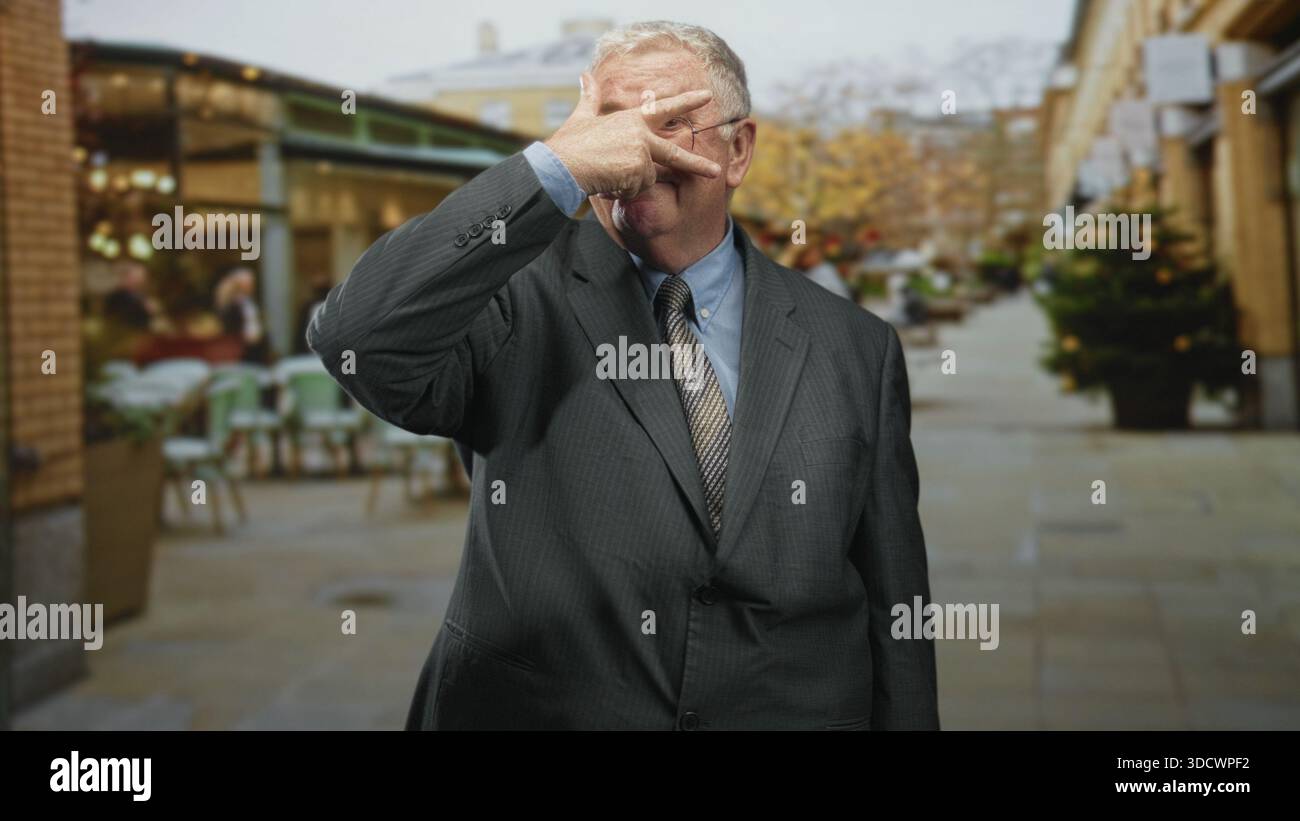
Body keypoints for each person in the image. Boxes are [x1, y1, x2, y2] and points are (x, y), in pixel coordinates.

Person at [308, 20, 937, 731]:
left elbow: (896, 603)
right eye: (614, 122)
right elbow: (356, 337)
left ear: (739, 150)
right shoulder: (512, 300)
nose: (639, 147)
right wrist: (554, 167)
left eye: (673, 121)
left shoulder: (854, 345)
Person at [215, 266, 269, 363]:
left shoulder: (251, 301)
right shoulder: (231, 304)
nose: (250, 285)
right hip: (239, 348)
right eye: (246, 283)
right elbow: (225, 323)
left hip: (257, 346)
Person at [103, 261, 156, 331]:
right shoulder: (117, 297)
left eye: (143, 277)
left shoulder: (140, 294)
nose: (141, 281)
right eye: (137, 277)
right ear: (127, 277)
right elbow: (122, 319)